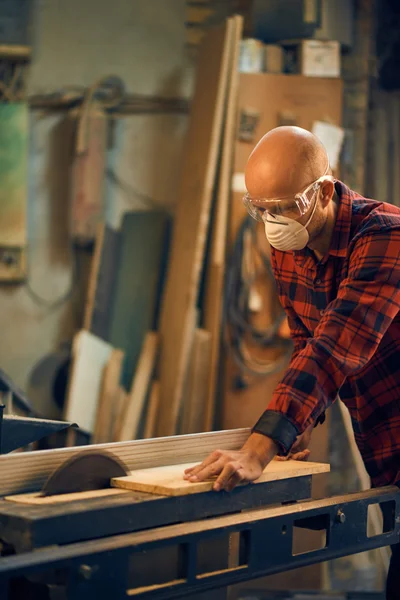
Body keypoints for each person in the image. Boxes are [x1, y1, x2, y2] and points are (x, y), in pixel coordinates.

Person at [183, 125, 400, 599]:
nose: (271, 221)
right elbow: (306, 343)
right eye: (260, 209)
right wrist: (293, 430)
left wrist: (258, 451)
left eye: (283, 208)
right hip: (384, 447)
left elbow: (335, 347)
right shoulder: (290, 246)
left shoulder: (387, 237)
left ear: (323, 192)